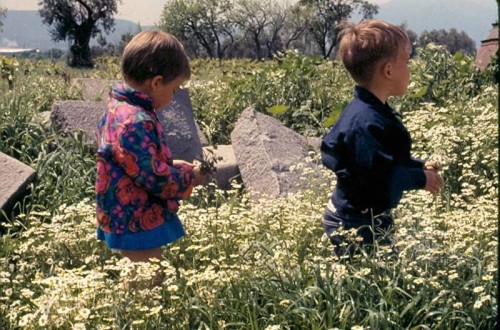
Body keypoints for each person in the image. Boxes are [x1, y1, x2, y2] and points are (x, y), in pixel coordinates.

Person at [321, 20, 443, 257]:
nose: (410, 69)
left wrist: (418, 166)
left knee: (382, 277)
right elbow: (380, 176)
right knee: (371, 286)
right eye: (406, 63)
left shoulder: (372, 111)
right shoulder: (366, 122)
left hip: (364, 217)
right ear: (388, 71)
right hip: (354, 223)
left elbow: (383, 161)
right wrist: (421, 178)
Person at [95, 30, 206, 263]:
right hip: (135, 216)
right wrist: (189, 176)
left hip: (120, 210)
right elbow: (154, 177)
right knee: (148, 278)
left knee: (140, 273)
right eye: (174, 89)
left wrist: (169, 163)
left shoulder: (117, 107)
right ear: (157, 83)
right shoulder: (136, 121)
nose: (174, 95)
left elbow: (130, 161)